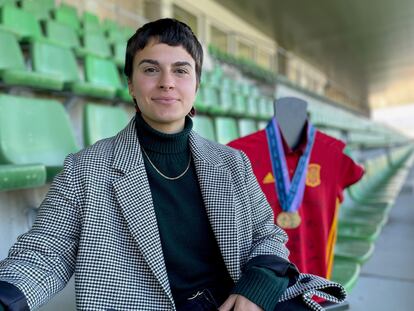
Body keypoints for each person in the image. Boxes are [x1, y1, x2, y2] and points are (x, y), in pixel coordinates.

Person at [0, 18, 344, 311]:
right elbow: (44, 254)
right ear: (131, 84)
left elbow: (267, 238)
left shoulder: (232, 163)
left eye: (181, 71)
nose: (167, 82)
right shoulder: (85, 169)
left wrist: (254, 290)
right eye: (150, 69)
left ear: (196, 85)